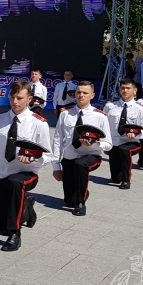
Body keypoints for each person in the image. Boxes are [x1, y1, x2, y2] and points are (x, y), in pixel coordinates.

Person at [0, 80, 51, 252]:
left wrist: (34, 160)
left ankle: (16, 234)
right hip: (3, 174)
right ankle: (27, 207)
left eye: (20, 98)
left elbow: (49, 155)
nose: (15, 102)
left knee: (16, 184)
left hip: (26, 175)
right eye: (12, 97)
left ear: (29, 99)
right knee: (2, 228)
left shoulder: (39, 123)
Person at [49, 80, 111, 216]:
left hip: (91, 156)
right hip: (70, 156)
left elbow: (108, 144)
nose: (81, 95)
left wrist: (94, 144)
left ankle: (81, 203)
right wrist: (56, 166)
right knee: (69, 201)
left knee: (80, 165)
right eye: (78, 92)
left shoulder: (100, 116)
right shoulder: (65, 114)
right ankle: (80, 192)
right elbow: (58, 140)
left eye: (85, 93)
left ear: (92, 95)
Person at [104, 79, 143, 190]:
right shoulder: (110, 107)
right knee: (115, 178)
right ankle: (119, 178)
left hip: (131, 142)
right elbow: (104, 125)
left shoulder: (141, 109)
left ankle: (126, 180)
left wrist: (135, 135)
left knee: (124, 150)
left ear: (135, 90)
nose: (125, 91)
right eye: (123, 88)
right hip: (114, 142)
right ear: (119, 90)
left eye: (128, 88)